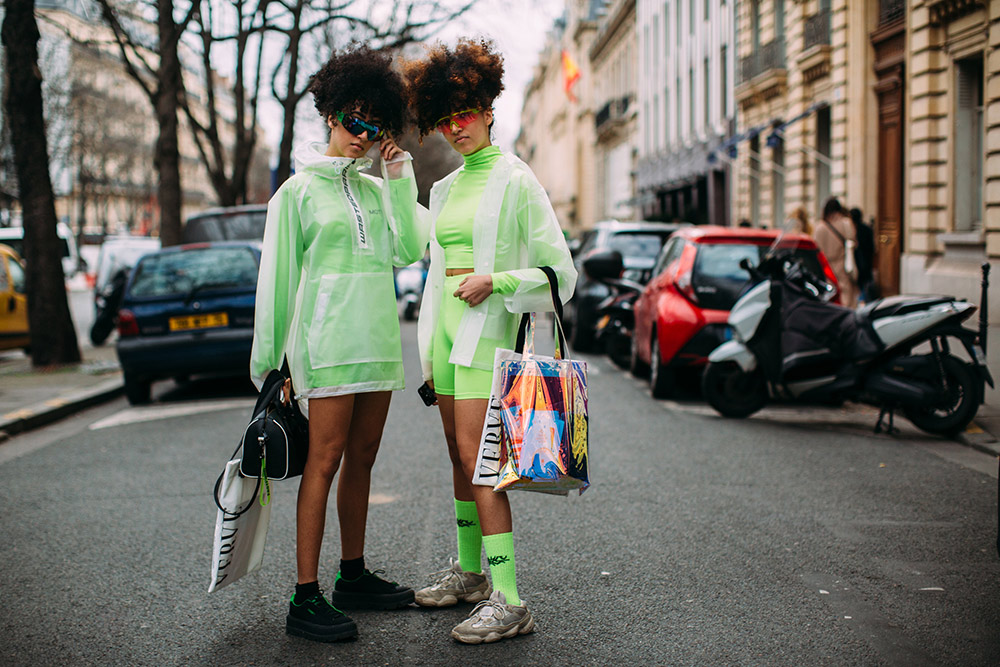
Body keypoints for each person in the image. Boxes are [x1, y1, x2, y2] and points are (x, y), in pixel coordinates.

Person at [250, 44, 428, 643]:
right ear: (329, 114)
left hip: (378, 343)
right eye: (354, 121)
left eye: (373, 124)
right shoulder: (296, 194)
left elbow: (408, 250)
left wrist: (398, 172)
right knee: (321, 464)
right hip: (326, 349)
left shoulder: (379, 190)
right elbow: (275, 285)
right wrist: (272, 368)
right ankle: (305, 596)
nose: (363, 134)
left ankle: (352, 575)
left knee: (364, 460)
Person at [404, 38, 577, 644]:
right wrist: (427, 351)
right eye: (445, 118)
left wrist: (498, 280)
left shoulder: (517, 179)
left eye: (467, 111)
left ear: (487, 107)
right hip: (446, 339)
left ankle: (509, 599)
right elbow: (429, 278)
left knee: (483, 463)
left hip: (488, 333)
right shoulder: (445, 188)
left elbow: (563, 275)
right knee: (458, 456)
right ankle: (471, 574)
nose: (457, 126)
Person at [814, 197, 859, 307]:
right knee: (846, 296)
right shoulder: (846, 224)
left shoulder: (820, 227)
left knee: (830, 295)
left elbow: (816, 248)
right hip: (843, 266)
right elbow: (854, 243)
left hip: (826, 268)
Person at [849, 207, 876, 303]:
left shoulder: (852, 229)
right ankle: (865, 299)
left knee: (858, 282)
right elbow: (872, 247)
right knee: (866, 281)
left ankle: (861, 299)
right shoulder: (867, 228)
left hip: (857, 260)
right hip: (866, 260)